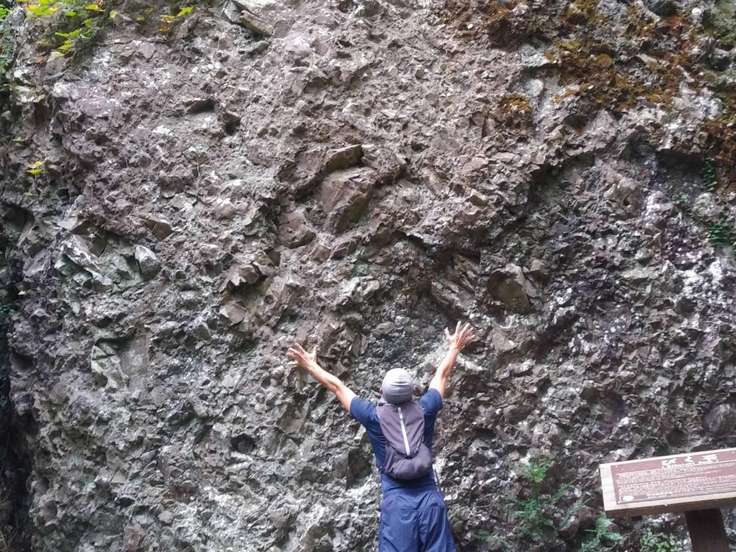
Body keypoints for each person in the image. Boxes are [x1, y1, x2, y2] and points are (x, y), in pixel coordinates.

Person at [286, 321, 476, 552]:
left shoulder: (373, 417)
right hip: (430, 503)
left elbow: (337, 387)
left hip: (397, 506)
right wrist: (455, 347)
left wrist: (309, 364)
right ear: (412, 391)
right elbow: (442, 375)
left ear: (383, 392)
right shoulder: (426, 408)